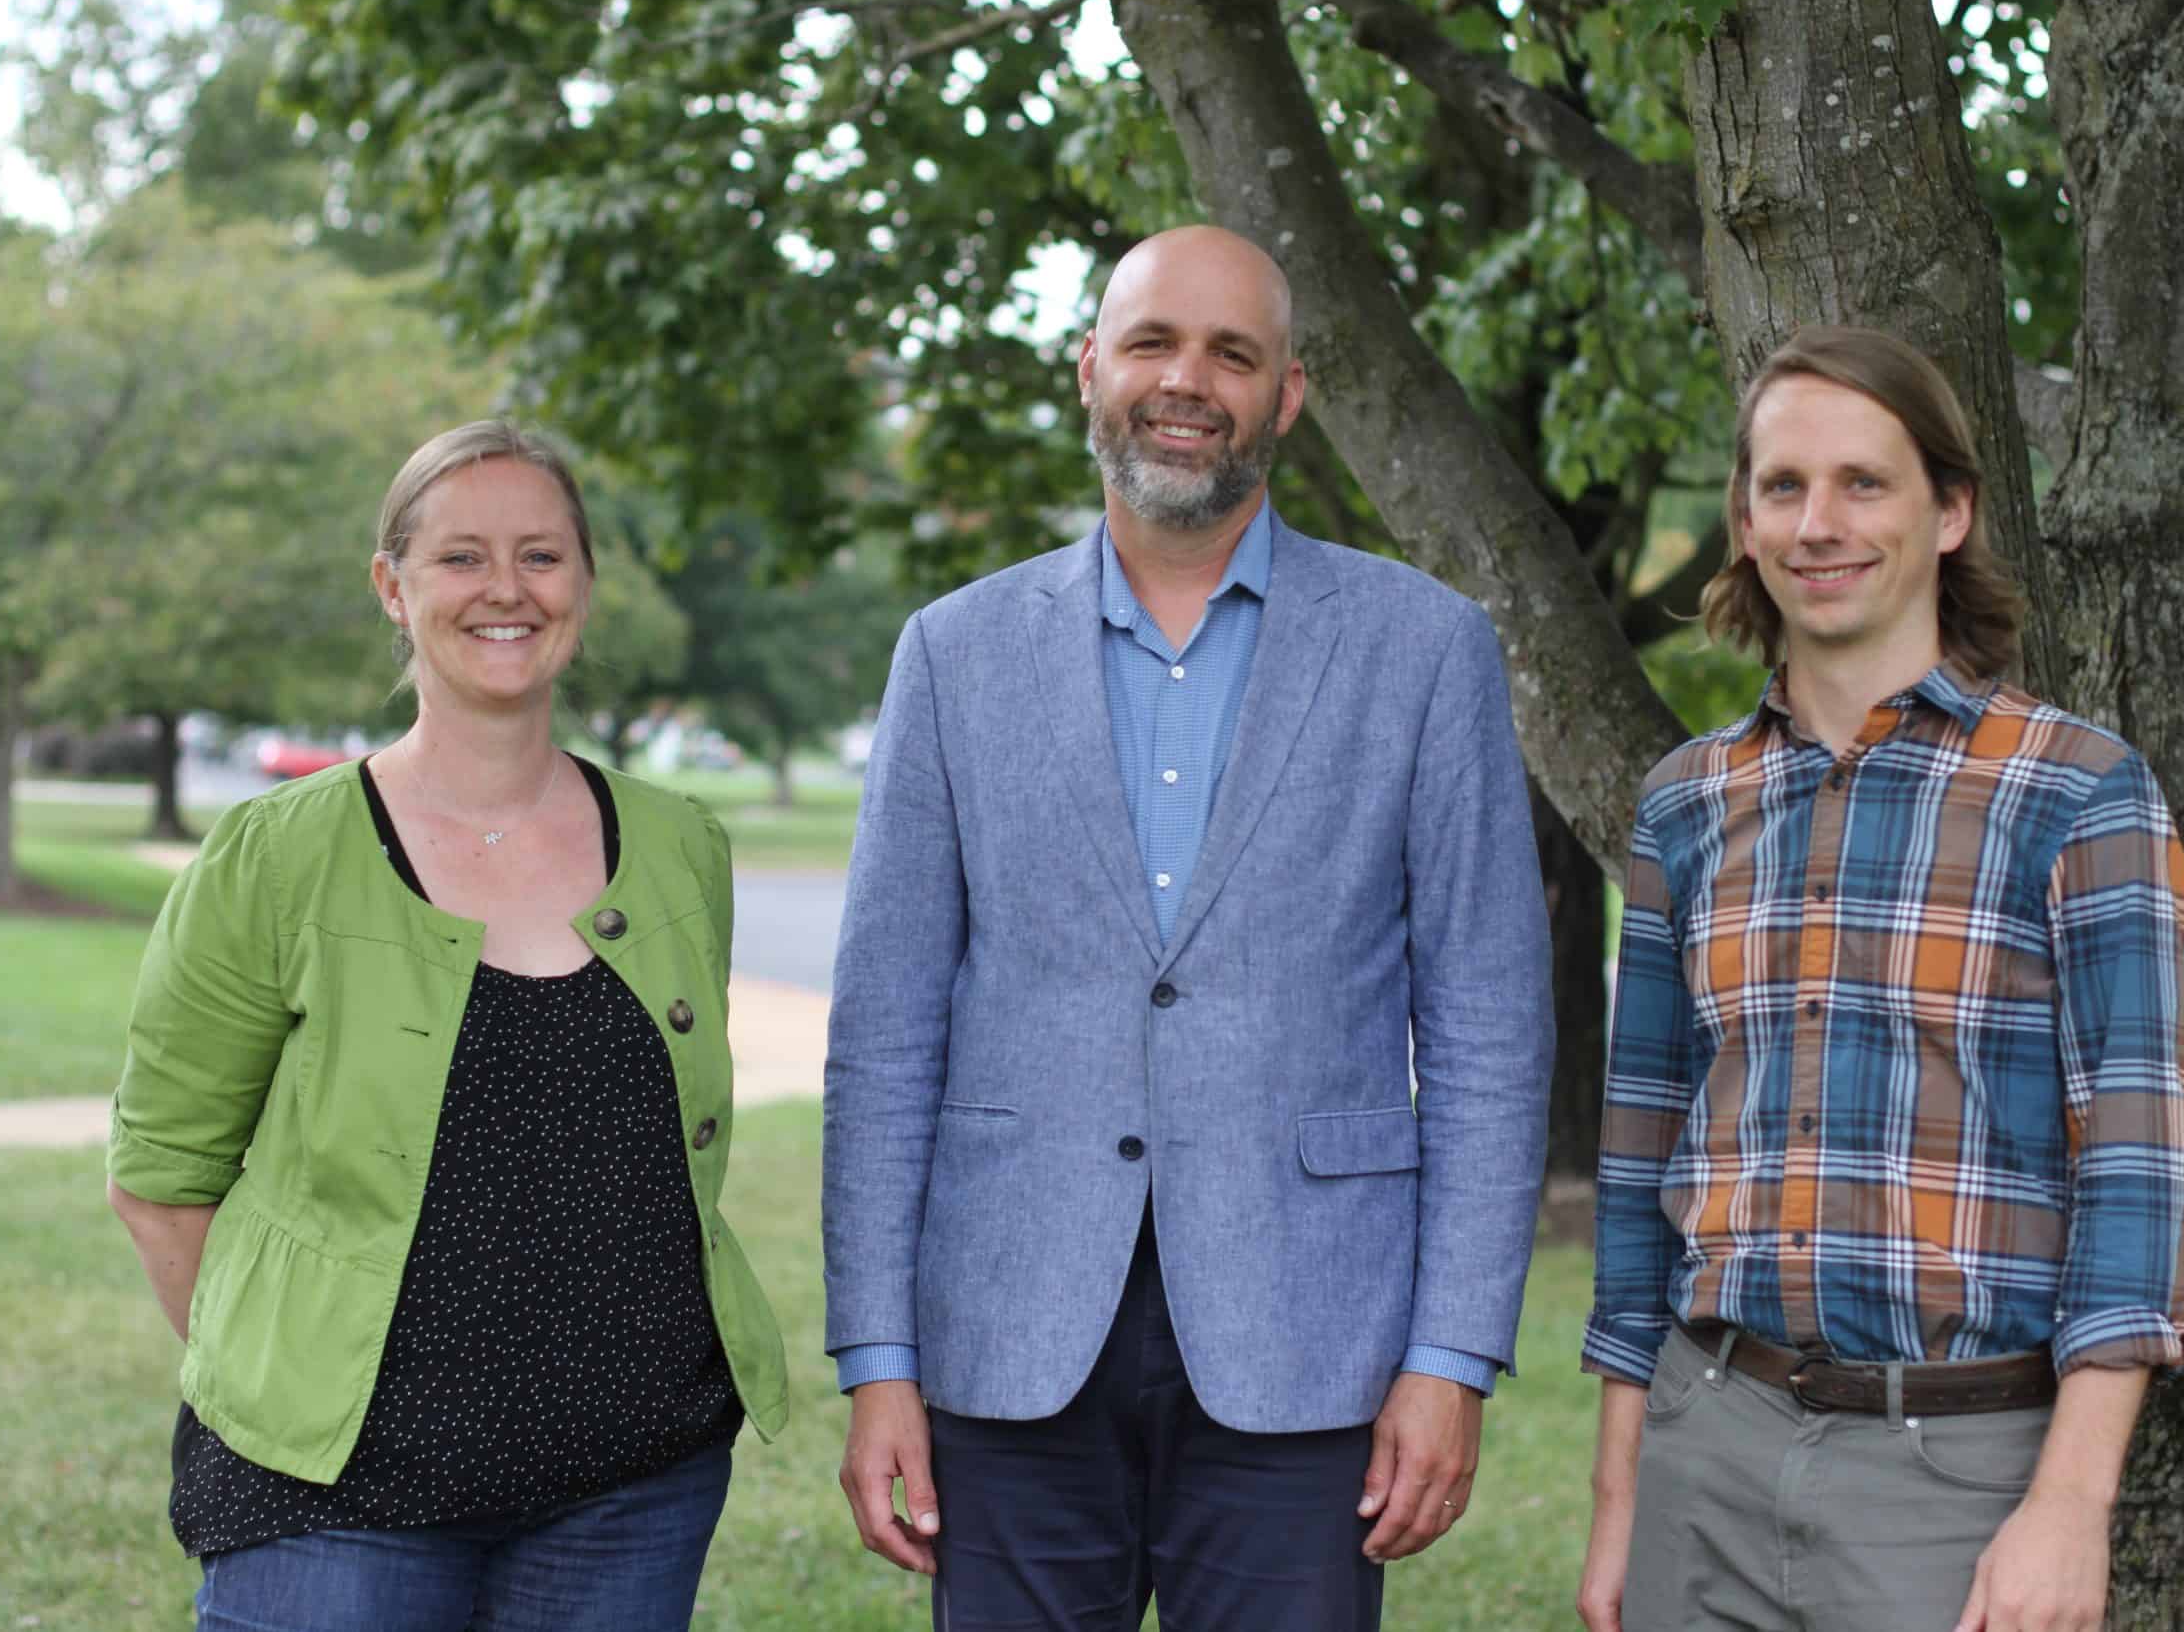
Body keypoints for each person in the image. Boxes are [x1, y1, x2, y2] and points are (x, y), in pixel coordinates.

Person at [822, 224, 1554, 1630]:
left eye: (1234, 351)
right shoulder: (953, 652)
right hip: (1008, 1324)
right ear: (1092, 366)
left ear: (1289, 394)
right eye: (1154, 341)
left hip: (1310, 1330)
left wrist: (1451, 1353)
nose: (1187, 379)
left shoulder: (1424, 647)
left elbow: (1489, 1034)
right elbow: (886, 1029)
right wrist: (879, 1356)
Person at [106, 421, 787, 1632]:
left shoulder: (684, 848)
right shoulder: (277, 856)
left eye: (542, 555)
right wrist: (288, 1377)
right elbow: (163, 1178)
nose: (506, 590)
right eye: (461, 557)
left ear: (582, 584)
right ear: (393, 585)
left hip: (628, 1493)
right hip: (335, 1495)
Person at [1575, 327, 2184, 1632]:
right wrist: (1623, 1489)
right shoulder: (1685, 805)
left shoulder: (2079, 791)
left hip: (1957, 1471)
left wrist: (2070, 1504)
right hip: (1707, 1440)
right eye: (1784, 485)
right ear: (1743, 520)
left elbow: (2138, 1172)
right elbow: (1639, 1165)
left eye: (1865, 481)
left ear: (1952, 508)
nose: (1821, 523)